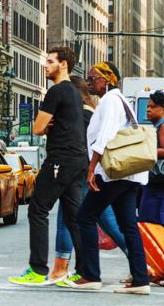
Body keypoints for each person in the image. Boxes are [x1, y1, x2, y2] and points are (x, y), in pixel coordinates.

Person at [66, 62, 150, 295]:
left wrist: (91, 168)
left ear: (108, 80)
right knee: (128, 225)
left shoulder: (111, 101)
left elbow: (106, 135)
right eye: (89, 79)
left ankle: (91, 275)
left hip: (115, 173)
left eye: (94, 78)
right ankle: (141, 280)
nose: (89, 82)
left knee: (85, 215)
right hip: (130, 174)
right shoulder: (122, 101)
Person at [9, 47, 88, 287]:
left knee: (38, 210)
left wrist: (46, 123)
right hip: (77, 160)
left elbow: (37, 128)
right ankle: (86, 272)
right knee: (75, 217)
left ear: (63, 64)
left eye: (50, 61)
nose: (46, 65)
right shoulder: (74, 93)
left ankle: (37, 269)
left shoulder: (56, 91)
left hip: (59, 159)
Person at [51, 76, 127, 285]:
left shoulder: (83, 113)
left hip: (82, 174)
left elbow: (86, 145)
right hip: (87, 173)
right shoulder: (88, 112)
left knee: (69, 220)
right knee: (108, 222)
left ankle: (63, 269)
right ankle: (143, 264)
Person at [139, 90, 164, 245]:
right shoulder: (158, 126)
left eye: (153, 106)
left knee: (159, 229)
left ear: (163, 109)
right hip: (160, 185)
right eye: (147, 106)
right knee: (155, 228)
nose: (148, 109)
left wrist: (142, 151)